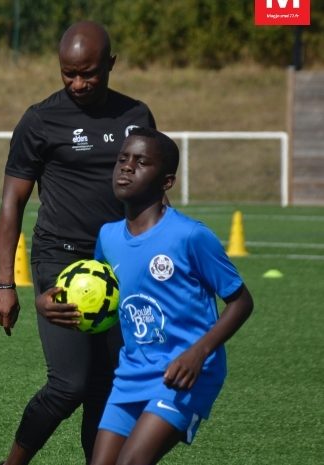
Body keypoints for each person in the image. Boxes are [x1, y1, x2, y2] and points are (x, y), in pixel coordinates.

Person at [0, 20, 156, 464]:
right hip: (60, 259)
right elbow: (12, 203)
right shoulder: (40, 119)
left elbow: (152, 199)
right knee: (70, 382)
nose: (78, 83)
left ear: (111, 65)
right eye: (68, 73)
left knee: (110, 383)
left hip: (121, 265)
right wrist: (5, 283)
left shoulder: (136, 117)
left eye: (89, 73)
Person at [75, 127, 252, 464]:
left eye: (141, 162)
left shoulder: (190, 236)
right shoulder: (108, 236)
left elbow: (241, 301)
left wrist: (198, 353)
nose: (127, 167)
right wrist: (57, 306)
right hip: (132, 371)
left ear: (167, 181)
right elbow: (101, 299)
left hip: (183, 373)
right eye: (123, 159)